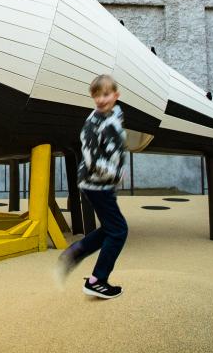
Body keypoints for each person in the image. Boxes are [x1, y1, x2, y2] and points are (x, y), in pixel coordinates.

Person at [55, 74, 130, 300]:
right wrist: (115, 173)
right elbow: (92, 160)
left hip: (102, 184)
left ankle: (76, 251)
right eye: (96, 95)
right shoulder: (91, 125)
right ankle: (98, 280)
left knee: (110, 227)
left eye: (105, 94)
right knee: (119, 231)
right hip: (95, 183)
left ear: (116, 96)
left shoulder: (114, 115)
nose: (100, 99)